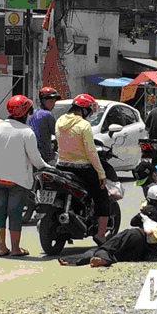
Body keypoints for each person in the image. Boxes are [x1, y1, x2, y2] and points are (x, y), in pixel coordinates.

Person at [0, 95, 52, 257]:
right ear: (26, 113)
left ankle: (1, 248)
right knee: (15, 215)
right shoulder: (27, 132)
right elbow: (36, 159)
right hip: (17, 181)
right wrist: (48, 168)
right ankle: (15, 249)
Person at [58, 185, 157, 267]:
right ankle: (95, 259)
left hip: (136, 235)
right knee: (119, 254)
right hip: (144, 252)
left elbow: (133, 222)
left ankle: (84, 260)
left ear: (149, 199)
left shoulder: (147, 211)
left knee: (106, 248)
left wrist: (143, 211)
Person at [55, 93, 110, 246]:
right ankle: (100, 234)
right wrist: (101, 173)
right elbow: (91, 152)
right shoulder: (84, 125)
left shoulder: (60, 120)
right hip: (83, 169)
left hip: (61, 166)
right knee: (102, 197)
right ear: (85, 110)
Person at [26, 87, 61, 165]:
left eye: (54, 102)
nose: (53, 105)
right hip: (45, 156)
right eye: (51, 102)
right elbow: (58, 135)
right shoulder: (48, 115)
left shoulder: (32, 114)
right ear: (43, 101)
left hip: (30, 155)